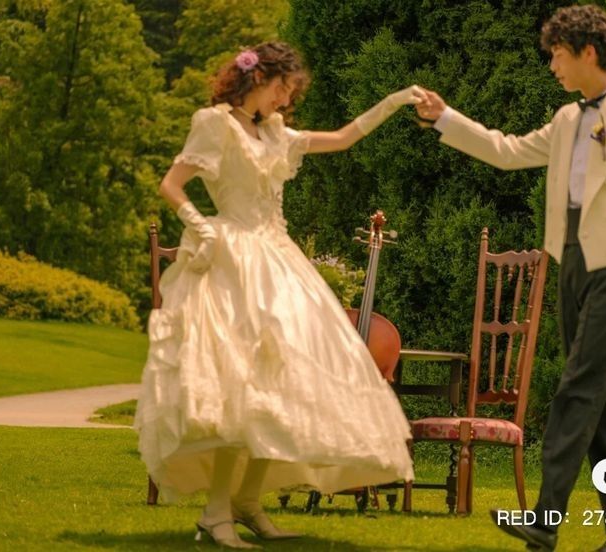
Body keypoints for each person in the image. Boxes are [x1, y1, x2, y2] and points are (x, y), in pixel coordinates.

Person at [415, 5, 606, 552]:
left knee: (574, 392)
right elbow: (508, 151)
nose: (552, 67)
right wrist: (446, 118)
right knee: (594, 400)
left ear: (589, 52)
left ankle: (545, 519)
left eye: (558, 56)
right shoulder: (567, 119)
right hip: (570, 264)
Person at [134, 41, 424, 549]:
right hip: (234, 262)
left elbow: (344, 137)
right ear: (260, 79)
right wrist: (198, 227)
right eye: (283, 89)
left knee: (280, 384)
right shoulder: (214, 122)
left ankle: (247, 502)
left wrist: (397, 100)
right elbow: (172, 184)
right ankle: (215, 511)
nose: (287, 101)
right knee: (240, 389)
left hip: (277, 260)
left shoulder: (275, 133)